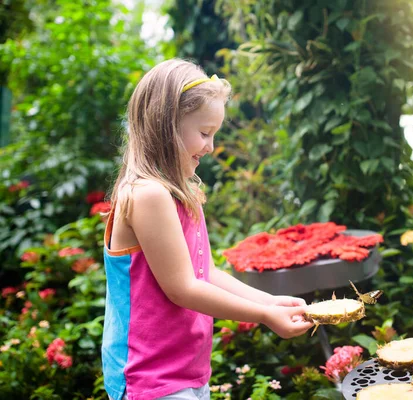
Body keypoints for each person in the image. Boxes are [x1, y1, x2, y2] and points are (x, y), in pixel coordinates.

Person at [102, 58, 313, 400]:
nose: (210, 147)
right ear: (166, 124)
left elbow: (205, 273)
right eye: (204, 133)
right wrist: (263, 315)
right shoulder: (148, 194)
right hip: (150, 377)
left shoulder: (184, 192)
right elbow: (182, 289)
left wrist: (271, 301)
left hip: (186, 371)